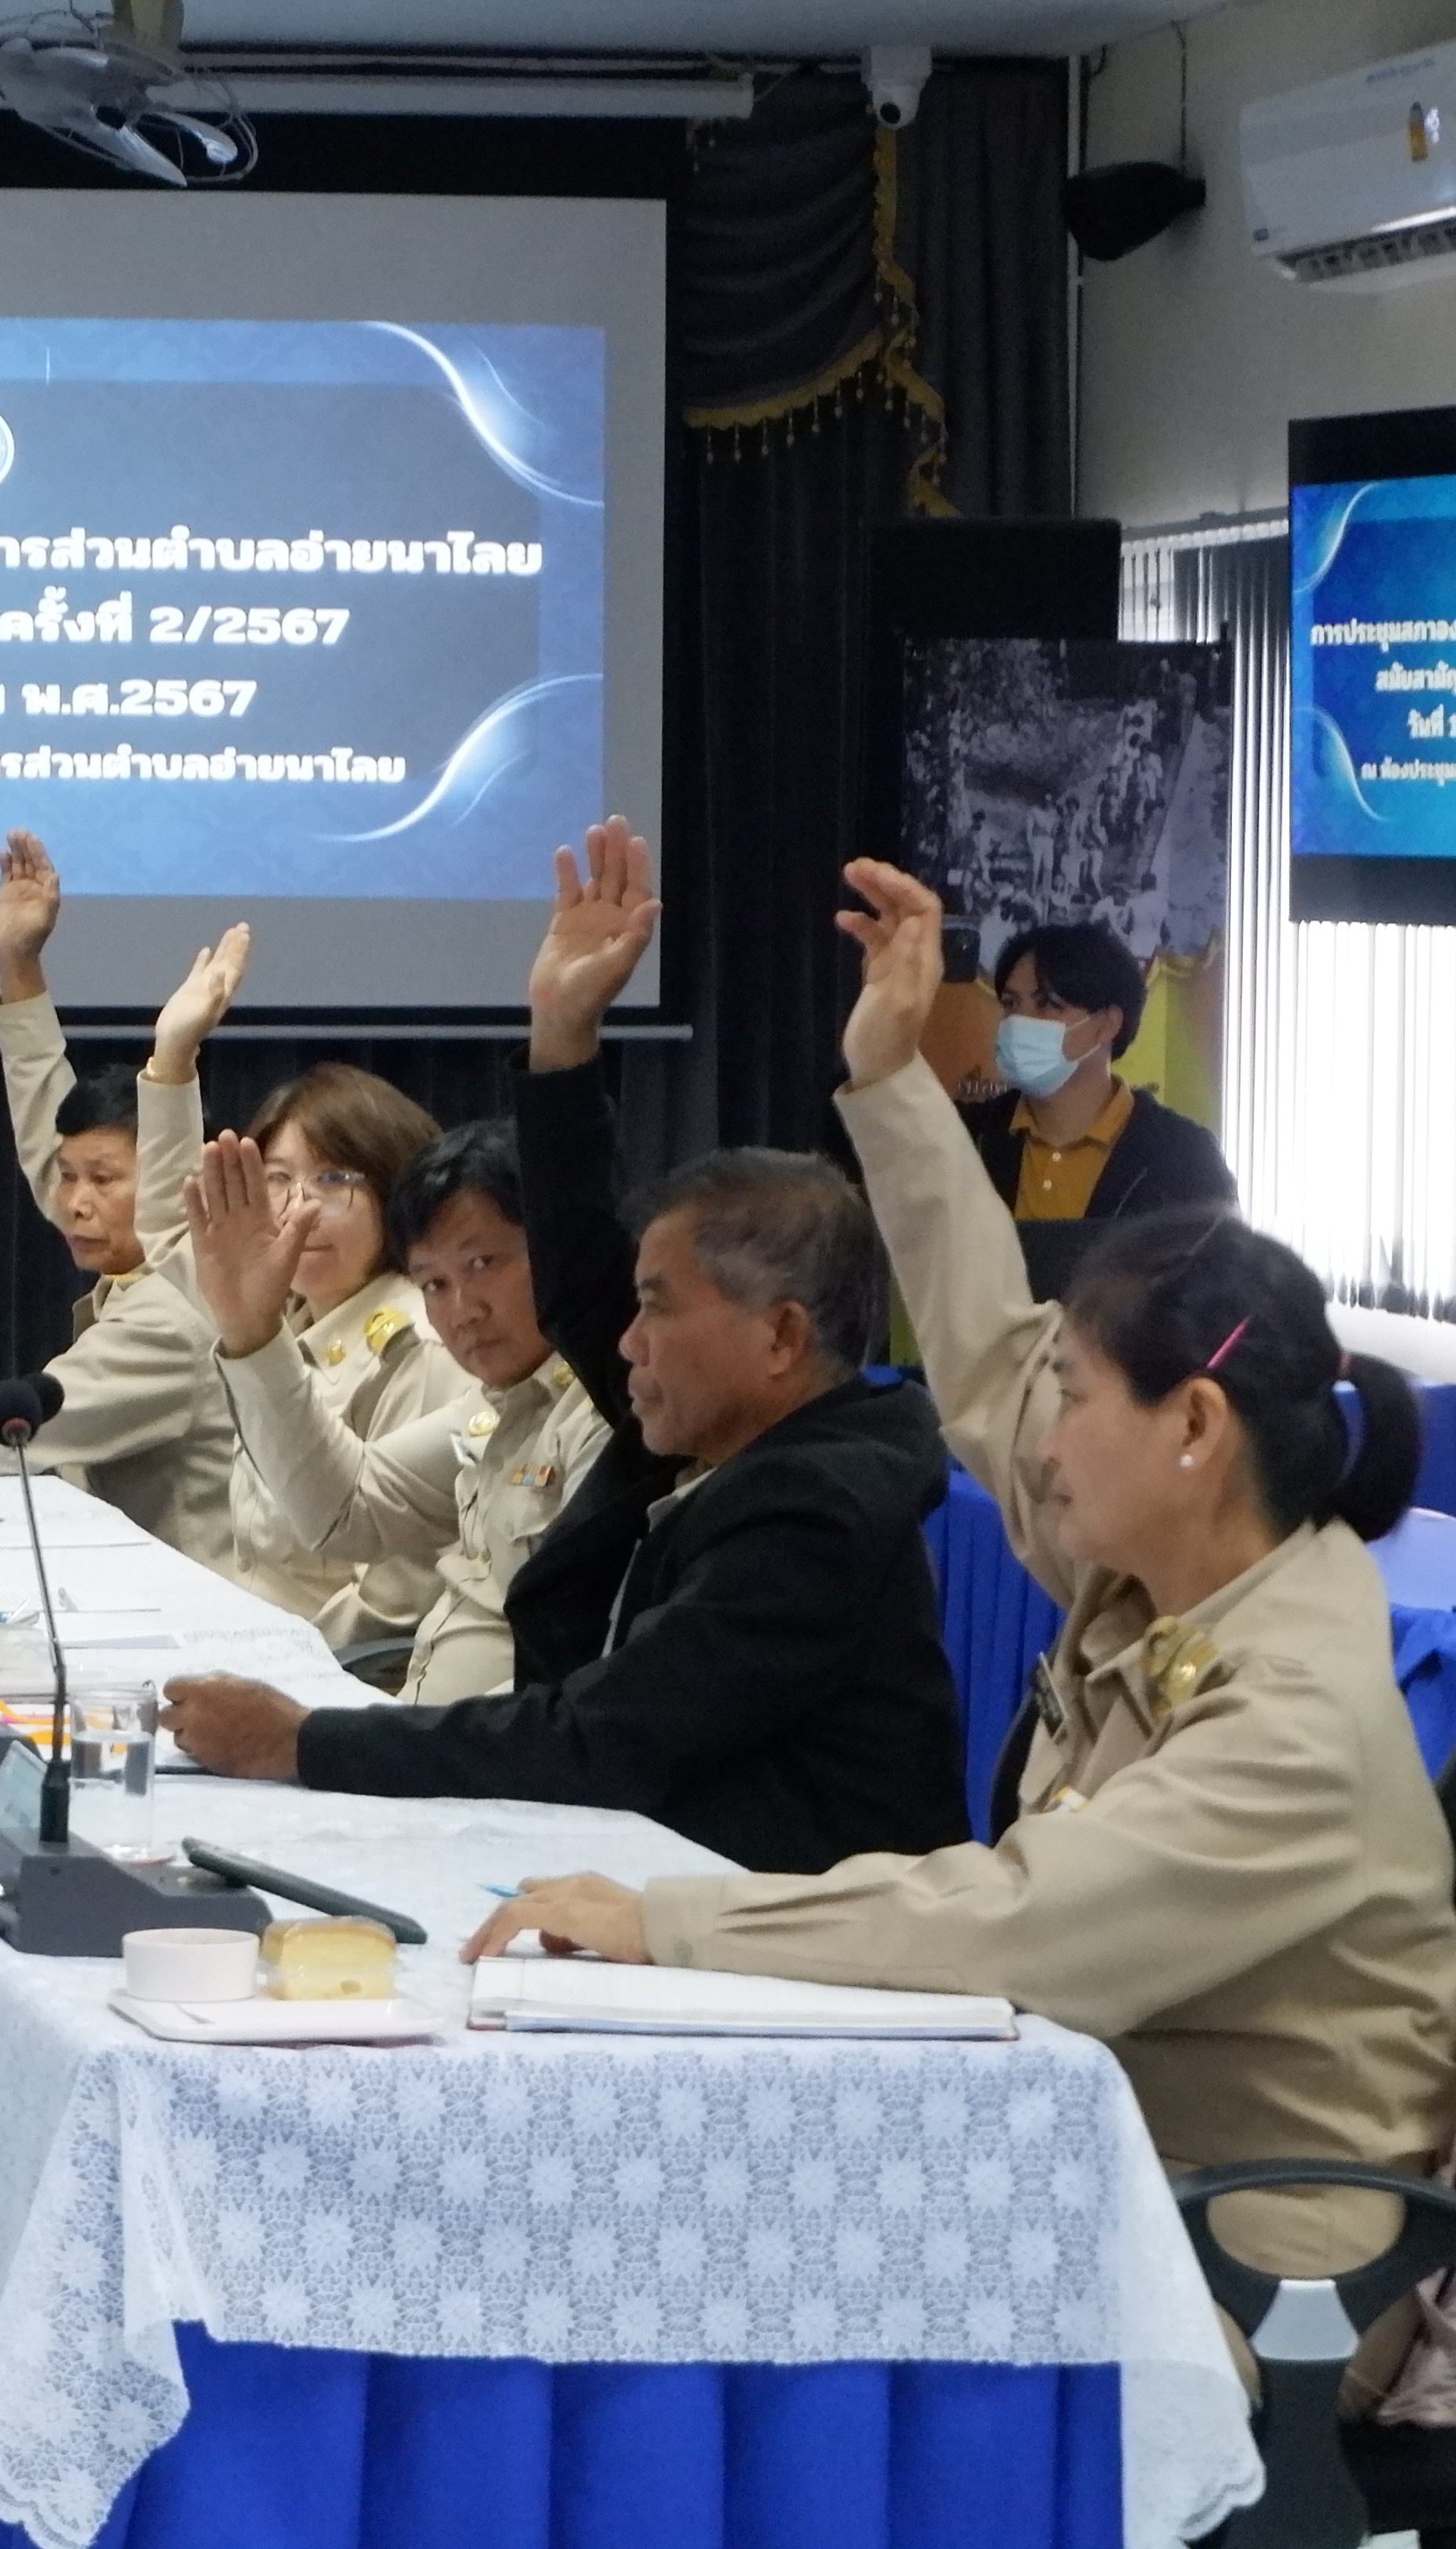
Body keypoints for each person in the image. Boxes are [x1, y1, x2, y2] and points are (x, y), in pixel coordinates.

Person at [470, 857, 1455, 2369]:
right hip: (1086, 2161)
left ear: (1194, 1428)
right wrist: (888, 1074)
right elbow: (991, 1357)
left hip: (1254, 2277)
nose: (1037, 1445)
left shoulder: (1296, 1713)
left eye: (1080, 1399)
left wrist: (664, 1920)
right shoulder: (1172, 1561)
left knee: (740, 2286)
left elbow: (1020, 1921)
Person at [168, 818, 967, 1873]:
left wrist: (301, 1743)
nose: (623, 1341)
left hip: (792, 1924)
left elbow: (602, 1738)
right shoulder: (723, 1434)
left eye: (658, 1309)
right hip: (665, 1871)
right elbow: (584, 1271)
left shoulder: (813, 1510)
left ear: (780, 1336)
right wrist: (561, 1031)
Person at [0, 830, 244, 1569]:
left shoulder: (171, 1317)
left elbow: (10, 1437)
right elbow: (45, 1124)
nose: (75, 1202)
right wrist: (17, 962)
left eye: (105, 1178)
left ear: (174, 1181)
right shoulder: (140, 1267)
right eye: (69, 1177)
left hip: (204, 1608)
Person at [186, 1114, 607, 1700]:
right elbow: (345, 1510)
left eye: (482, 1265)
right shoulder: (498, 1406)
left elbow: (586, 1685)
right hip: (416, 1727)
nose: (463, 1309)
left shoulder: (606, 1413)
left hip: (474, 1745)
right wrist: (252, 1330)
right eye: (434, 1283)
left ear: (561, 1248)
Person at [192, 1059, 461, 1646]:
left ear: (395, 1192)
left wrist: (263, 1660)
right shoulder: (282, 1324)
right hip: (244, 1629)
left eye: (334, 1180)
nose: (300, 1209)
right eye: (277, 1180)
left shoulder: (420, 1345)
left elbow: (394, 1604)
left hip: (327, 1665)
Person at [953, 918, 1235, 1298]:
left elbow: (1217, 1296)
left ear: (1106, 1025)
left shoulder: (1183, 1156)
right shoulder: (967, 1135)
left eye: (1047, 1004)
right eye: (1010, 1004)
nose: (1020, 1021)